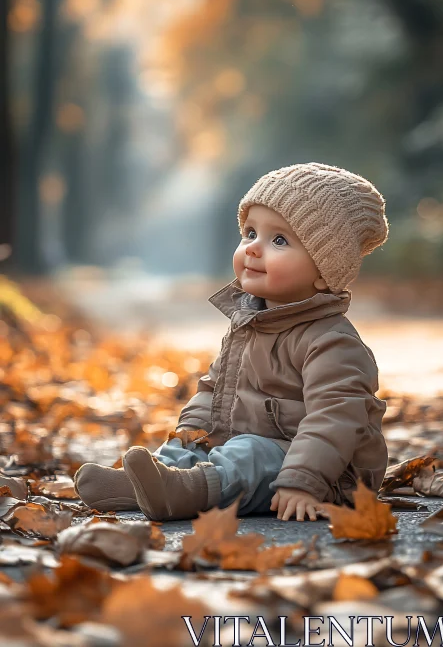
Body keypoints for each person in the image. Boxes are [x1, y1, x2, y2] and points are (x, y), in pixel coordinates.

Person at [75, 162, 389, 523]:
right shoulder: (249, 322)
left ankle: (182, 492)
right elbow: (213, 388)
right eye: (250, 233)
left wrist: (304, 480)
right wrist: (190, 433)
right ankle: (151, 482)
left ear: (324, 272)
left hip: (328, 474)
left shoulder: (332, 341)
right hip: (252, 449)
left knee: (249, 454)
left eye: (279, 240)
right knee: (194, 447)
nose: (254, 248)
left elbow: (335, 417)